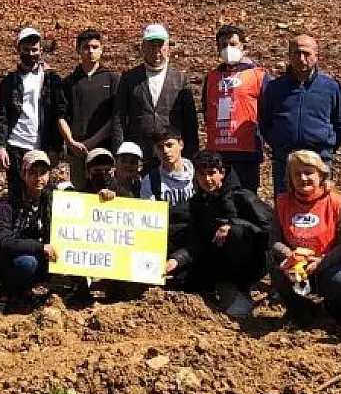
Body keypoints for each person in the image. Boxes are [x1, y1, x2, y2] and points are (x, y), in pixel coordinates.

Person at [269, 150, 341, 328]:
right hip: (297, 266)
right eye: (297, 174)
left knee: (338, 282)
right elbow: (274, 240)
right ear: (290, 177)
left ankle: (337, 311)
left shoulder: (337, 204)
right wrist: (290, 255)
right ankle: (300, 311)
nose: (303, 178)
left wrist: (321, 262)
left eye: (309, 172)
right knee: (276, 268)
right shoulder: (282, 203)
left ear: (321, 174)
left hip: (330, 265)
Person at [183, 151, 273, 316]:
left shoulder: (243, 197)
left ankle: (245, 288)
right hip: (218, 263)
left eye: (211, 173)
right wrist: (177, 259)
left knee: (236, 234)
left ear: (222, 172)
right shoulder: (197, 203)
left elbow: (268, 229)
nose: (207, 179)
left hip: (254, 263)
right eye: (202, 175)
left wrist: (233, 224)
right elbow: (197, 241)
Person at [259, 35, 341, 196]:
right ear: (289, 56)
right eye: (296, 53)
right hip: (285, 160)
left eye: (306, 54)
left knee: (321, 207)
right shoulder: (275, 88)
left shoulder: (329, 87)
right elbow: (264, 121)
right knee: (285, 207)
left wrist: (327, 144)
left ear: (316, 55)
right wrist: (279, 143)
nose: (301, 59)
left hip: (320, 159)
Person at [112, 24, 198, 168]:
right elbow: (119, 117)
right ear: (143, 47)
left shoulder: (180, 79)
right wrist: (119, 151)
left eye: (160, 45)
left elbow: (190, 122)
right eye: (151, 45)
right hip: (139, 154)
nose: (156, 50)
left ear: (168, 47)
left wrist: (190, 154)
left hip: (171, 155)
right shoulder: (129, 78)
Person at [0, 27, 64, 197]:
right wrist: (1, 146)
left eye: (34, 50)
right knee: (16, 194)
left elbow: (58, 113)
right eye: (26, 50)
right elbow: (2, 114)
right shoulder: (9, 81)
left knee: (41, 194)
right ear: (18, 50)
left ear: (41, 50)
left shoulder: (51, 79)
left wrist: (56, 148)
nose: (31, 54)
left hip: (41, 145)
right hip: (16, 144)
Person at [202, 25, 270, 192]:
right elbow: (206, 110)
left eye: (232, 44)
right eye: (223, 45)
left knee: (245, 201)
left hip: (246, 152)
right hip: (217, 152)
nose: (228, 49)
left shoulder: (258, 75)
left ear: (243, 47)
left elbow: (269, 112)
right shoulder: (211, 78)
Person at [0, 150, 56, 309]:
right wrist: (39, 247)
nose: (39, 177)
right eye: (33, 172)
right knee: (26, 263)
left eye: (43, 172)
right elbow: (2, 241)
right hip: (10, 260)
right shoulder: (8, 203)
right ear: (23, 175)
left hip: (42, 256)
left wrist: (103, 194)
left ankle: (30, 289)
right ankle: (10, 290)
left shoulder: (52, 199)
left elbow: (79, 203)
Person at [58, 29, 120, 187]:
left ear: (101, 49)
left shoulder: (113, 79)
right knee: (80, 196)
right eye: (86, 47)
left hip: (104, 151)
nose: (90, 51)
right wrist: (71, 142)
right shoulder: (68, 83)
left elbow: (115, 117)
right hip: (77, 152)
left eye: (94, 47)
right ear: (78, 50)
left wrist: (92, 141)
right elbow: (61, 116)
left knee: (105, 195)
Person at [139, 130, 196, 288]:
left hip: (196, 236)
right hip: (166, 238)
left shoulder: (199, 175)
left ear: (181, 144)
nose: (165, 151)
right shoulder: (150, 181)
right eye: (160, 147)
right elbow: (148, 222)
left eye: (170, 145)